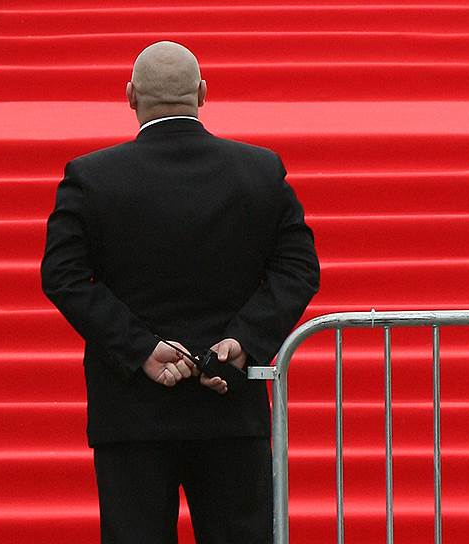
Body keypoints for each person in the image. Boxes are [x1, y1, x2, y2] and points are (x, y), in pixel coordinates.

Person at [41, 41, 320, 543]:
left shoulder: (91, 177)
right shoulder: (259, 170)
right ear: (203, 93)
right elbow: (298, 268)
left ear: (130, 95)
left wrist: (140, 347)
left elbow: (62, 275)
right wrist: (243, 341)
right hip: (230, 401)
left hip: (132, 408)